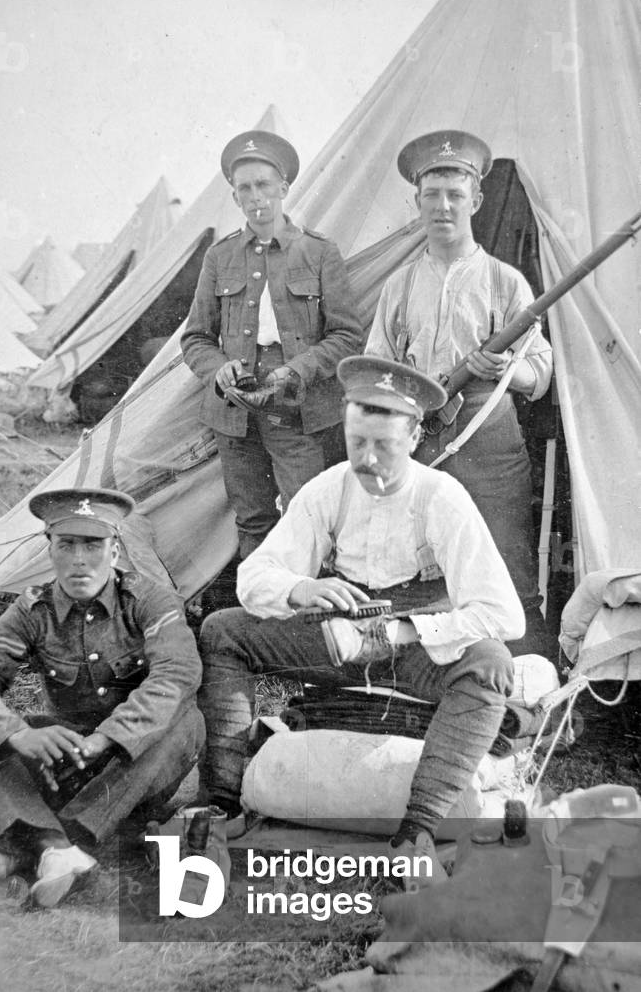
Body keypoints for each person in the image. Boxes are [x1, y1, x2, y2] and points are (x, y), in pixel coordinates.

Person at [197, 356, 523, 878]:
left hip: (417, 650)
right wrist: (302, 587)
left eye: (385, 446)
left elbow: (502, 612)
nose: (368, 460)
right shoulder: (329, 487)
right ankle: (220, 801)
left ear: (415, 438)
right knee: (224, 631)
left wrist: (405, 630)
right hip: (334, 645)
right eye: (357, 443)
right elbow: (254, 577)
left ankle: (416, 831)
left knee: (491, 664)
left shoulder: (442, 497)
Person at [365, 130, 553, 657]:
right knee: (418, 574)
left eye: (455, 193)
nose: (443, 206)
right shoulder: (398, 286)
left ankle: (528, 691)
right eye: (432, 194)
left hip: (490, 443)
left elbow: (541, 376)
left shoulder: (505, 281)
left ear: (477, 199)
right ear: (417, 201)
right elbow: (376, 370)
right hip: (421, 444)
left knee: (510, 575)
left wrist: (501, 369)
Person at [0, 488, 204, 908]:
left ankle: (51, 839)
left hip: (135, 763)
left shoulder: (150, 600)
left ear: (115, 551)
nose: (79, 559)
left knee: (185, 720)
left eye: (93, 545)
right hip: (67, 758)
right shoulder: (32, 610)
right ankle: (58, 851)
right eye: (67, 545)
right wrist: (15, 734)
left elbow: (178, 674)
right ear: (50, 551)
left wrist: (107, 737)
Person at [181, 129, 363, 559]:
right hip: (234, 412)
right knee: (252, 519)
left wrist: (296, 369)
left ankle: (306, 619)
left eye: (264, 185)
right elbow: (195, 337)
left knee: (309, 516)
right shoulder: (220, 257)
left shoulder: (318, 252)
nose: (255, 196)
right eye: (244, 188)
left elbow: (347, 335)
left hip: (298, 408)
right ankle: (260, 615)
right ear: (234, 198)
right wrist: (217, 369)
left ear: (284, 188)